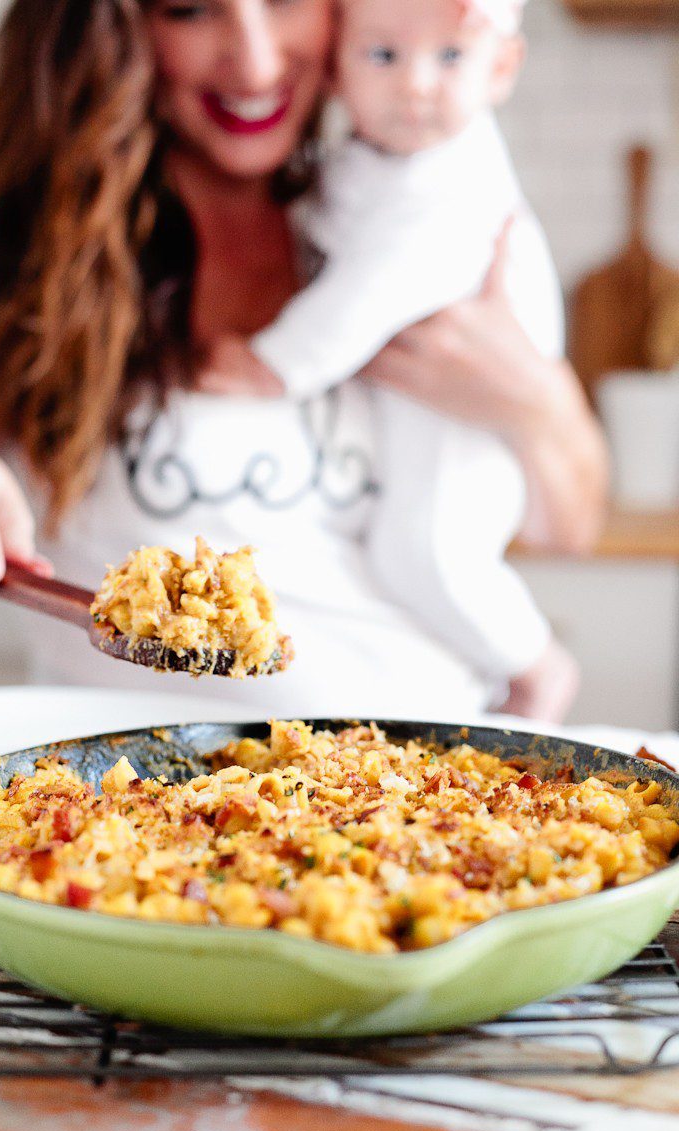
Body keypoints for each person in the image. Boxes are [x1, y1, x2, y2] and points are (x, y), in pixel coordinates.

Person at [0, 0, 607, 722]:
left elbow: (566, 532)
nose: (255, 63)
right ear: (110, 31)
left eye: (285, 1)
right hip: (126, 778)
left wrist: (541, 407)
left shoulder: (398, 205)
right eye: (190, 11)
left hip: (445, 766)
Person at [200, 0, 574, 711]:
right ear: (336, 67)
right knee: (404, 548)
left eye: (451, 56)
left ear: (501, 68)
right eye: (382, 56)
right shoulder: (374, 159)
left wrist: (274, 364)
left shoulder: (453, 177)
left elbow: (379, 284)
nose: (416, 85)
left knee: (426, 551)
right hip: (425, 405)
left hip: (468, 424)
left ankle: (537, 668)